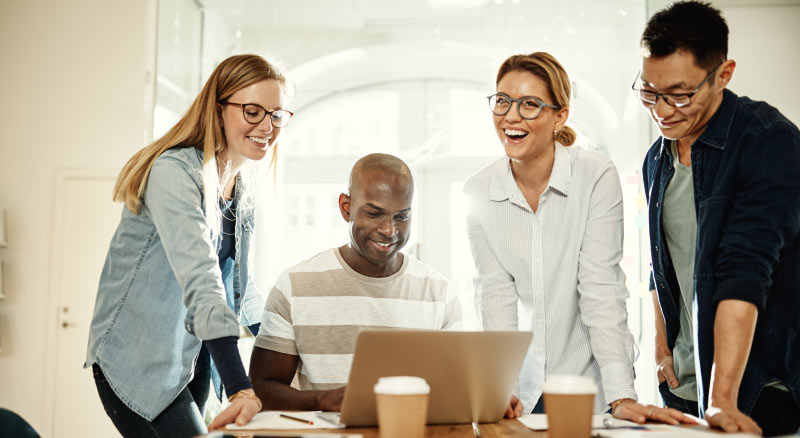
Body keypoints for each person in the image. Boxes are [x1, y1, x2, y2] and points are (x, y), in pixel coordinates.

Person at [464, 51, 692, 425]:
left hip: (591, 388)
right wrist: (498, 385)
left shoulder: (595, 176)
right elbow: (495, 297)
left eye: (530, 105)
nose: (511, 116)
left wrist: (621, 394)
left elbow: (601, 287)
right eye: (502, 101)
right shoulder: (479, 191)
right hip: (519, 393)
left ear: (560, 116)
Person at [84, 54, 294, 437]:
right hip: (138, 357)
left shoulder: (241, 190)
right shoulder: (174, 173)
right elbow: (203, 282)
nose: (267, 126)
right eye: (252, 111)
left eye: (277, 115)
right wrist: (240, 388)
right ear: (218, 110)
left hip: (192, 356)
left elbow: (242, 295)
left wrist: (296, 361)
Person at [636, 2, 800, 435]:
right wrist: (661, 346)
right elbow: (660, 262)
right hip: (685, 390)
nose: (662, 110)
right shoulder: (657, 159)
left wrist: (721, 397)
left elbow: (744, 268)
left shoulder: (768, 141)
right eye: (649, 92)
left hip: (756, 389)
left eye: (679, 94)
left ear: (723, 74)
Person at [249, 153, 462, 411]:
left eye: (401, 217)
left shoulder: (439, 293)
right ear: (346, 207)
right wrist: (322, 400)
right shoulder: (295, 285)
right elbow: (263, 387)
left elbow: (457, 388)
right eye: (374, 213)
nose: (389, 230)